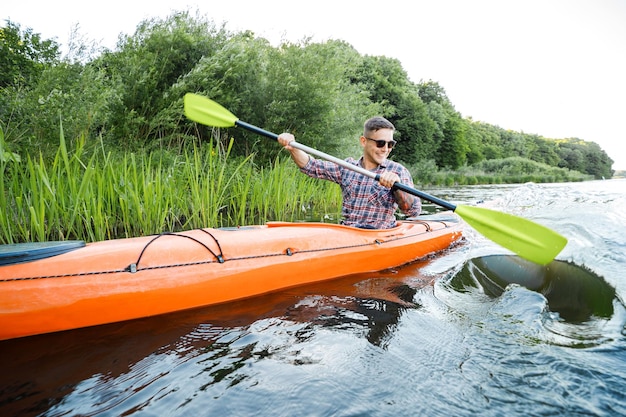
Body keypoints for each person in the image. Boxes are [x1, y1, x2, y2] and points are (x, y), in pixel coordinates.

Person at [277, 116, 421, 229]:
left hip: (379, 235)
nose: (386, 149)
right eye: (381, 143)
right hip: (348, 232)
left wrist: (397, 187)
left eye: (390, 144)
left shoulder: (398, 171)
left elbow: (413, 211)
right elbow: (310, 165)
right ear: (364, 141)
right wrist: (293, 147)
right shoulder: (347, 167)